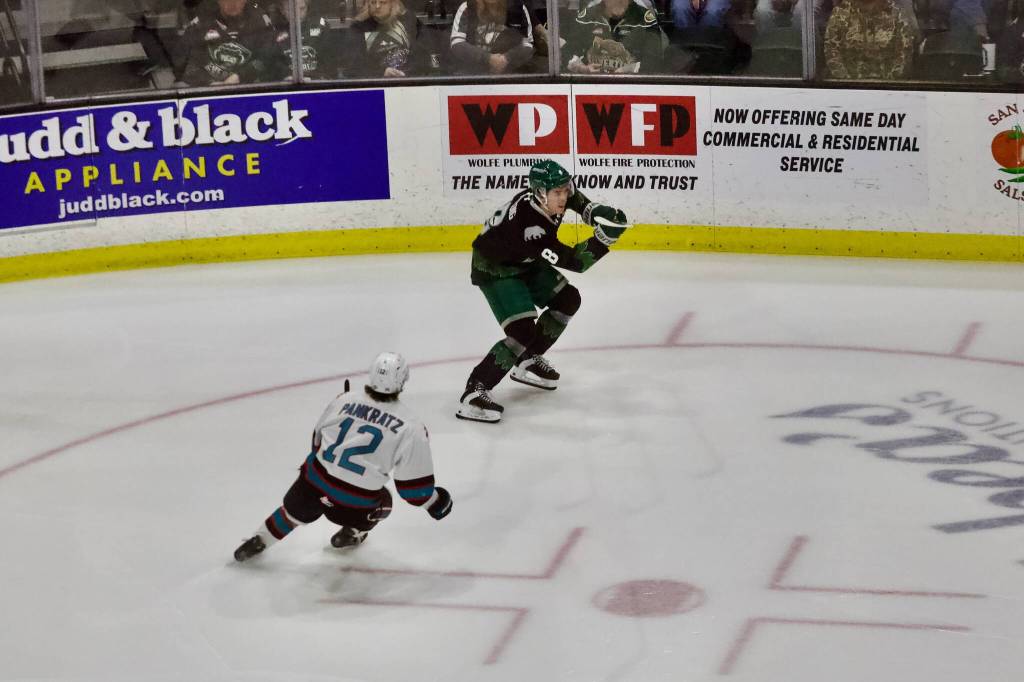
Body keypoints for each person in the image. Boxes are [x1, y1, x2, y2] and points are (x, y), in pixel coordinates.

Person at [233, 352, 452, 561]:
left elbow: (317, 441)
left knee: (293, 512)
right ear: (403, 381)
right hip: (354, 505)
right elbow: (413, 489)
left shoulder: (344, 399)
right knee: (384, 501)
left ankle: (260, 539)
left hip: (312, 485)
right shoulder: (411, 426)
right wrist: (436, 502)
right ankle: (353, 532)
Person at [456, 160, 629, 424]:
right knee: (522, 331)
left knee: (567, 299)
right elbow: (575, 262)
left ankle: (527, 359)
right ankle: (475, 389)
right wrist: (604, 240)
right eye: (557, 192)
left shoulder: (548, 198)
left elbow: (574, 198)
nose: (563, 197)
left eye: (564, 189)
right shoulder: (530, 228)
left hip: (523, 259)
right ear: (540, 193)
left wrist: (592, 210)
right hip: (495, 268)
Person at [180, 0, 287, 86]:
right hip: (209, 91)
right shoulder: (200, 24)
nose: (233, 3)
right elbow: (185, 64)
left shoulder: (261, 20)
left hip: (251, 90)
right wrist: (210, 83)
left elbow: (270, 57)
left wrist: (240, 76)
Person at [563, 0, 666, 73]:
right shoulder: (586, 17)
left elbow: (654, 61)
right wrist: (583, 68)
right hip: (592, 84)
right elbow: (568, 52)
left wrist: (630, 70)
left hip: (632, 86)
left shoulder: (644, 19)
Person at [824, 0, 917, 79]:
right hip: (849, 87)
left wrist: (888, 85)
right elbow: (831, 50)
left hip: (888, 87)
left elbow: (905, 52)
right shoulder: (840, 12)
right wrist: (847, 82)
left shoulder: (897, 12)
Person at [449, 0, 536, 74]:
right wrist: (488, 58)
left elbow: (528, 45)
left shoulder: (519, 8)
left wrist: (507, 58)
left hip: (510, 73)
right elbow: (457, 43)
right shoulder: (467, 7)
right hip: (473, 73)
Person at [347, 0, 429, 77]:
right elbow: (354, 65)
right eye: (373, 2)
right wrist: (382, 72)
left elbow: (424, 53)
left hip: (410, 78)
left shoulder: (408, 20)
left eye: (383, 2)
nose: (377, 6)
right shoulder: (359, 27)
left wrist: (409, 72)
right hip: (377, 82)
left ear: (392, 4)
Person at [269, 0, 340, 80]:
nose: (297, 14)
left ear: (307, 7)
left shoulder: (321, 27)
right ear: (282, 10)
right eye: (291, 10)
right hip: (286, 85)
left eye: (302, 8)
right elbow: (272, 64)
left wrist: (316, 79)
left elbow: (330, 63)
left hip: (317, 84)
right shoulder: (274, 31)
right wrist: (284, 77)